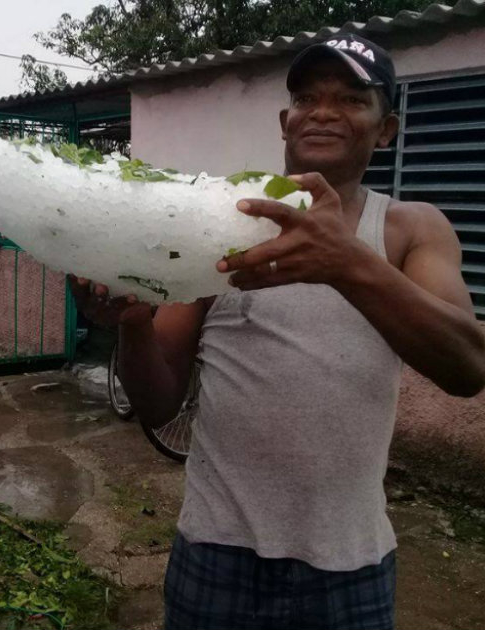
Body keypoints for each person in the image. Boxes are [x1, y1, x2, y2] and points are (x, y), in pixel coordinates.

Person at [71, 34, 485, 630]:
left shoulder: (410, 230)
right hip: (215, 549)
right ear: (284, 120)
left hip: (350, 560)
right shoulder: (222, 223)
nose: (322, 111)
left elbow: (468, 368)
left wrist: (348, 263)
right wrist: (133, 324)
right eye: (306, 97)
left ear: (386, 127)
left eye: (350, 98)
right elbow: (158, 403)